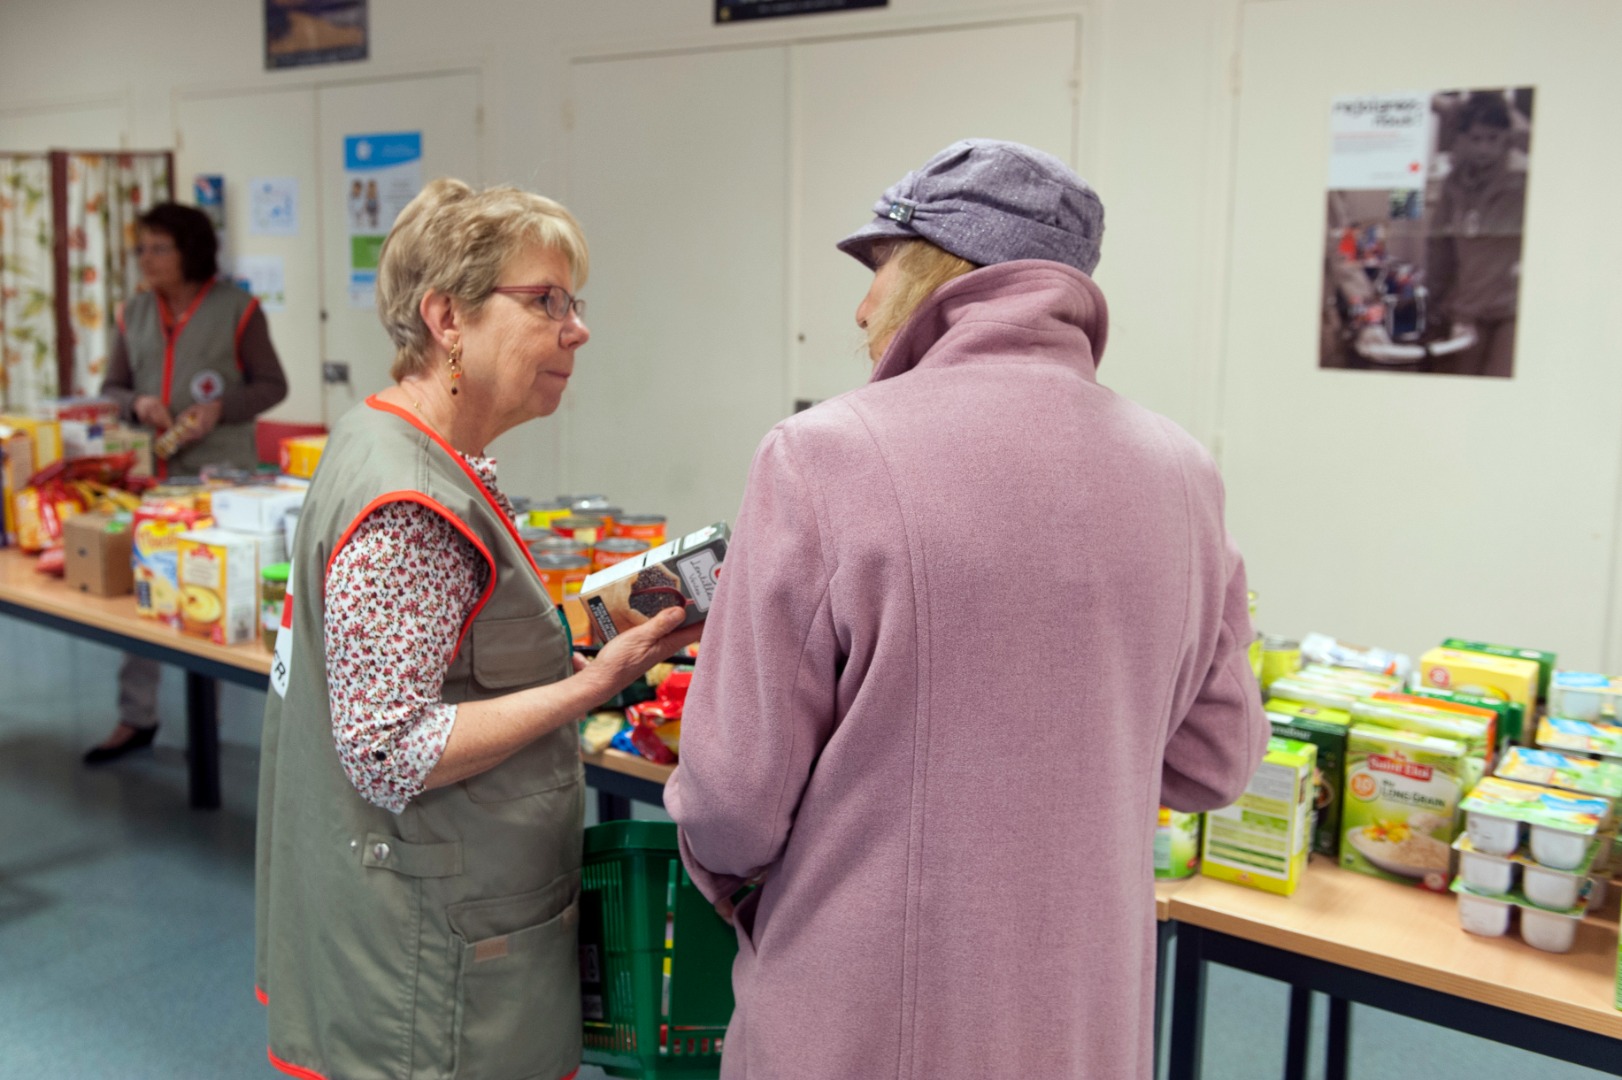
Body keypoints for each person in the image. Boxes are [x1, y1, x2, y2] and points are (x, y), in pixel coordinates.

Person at [664, 139, 1270, 1079]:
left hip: (857, 1018)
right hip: (1078, 1025)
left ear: (941, 270)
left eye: (880, 266)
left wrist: (732, 880)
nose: (861, 305)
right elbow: (1216, 761)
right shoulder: (1185, 473)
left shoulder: (823, 455)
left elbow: (731, 806)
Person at [253, 178, 700, 1080]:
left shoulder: (395, 439)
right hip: (427, 960)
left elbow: (446, 654)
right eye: (546, 302)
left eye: (575, 303)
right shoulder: (411, 504)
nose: (576, 329)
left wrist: (568, 635)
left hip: (414, 916)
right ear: (447, 317)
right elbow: (389, 750)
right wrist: (591, 684)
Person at [86, 202, 288, 763]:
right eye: (141, 248)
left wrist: (219, 408)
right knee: (148, 592)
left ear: (189, 250)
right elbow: (112, 389)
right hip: (158, 480)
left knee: (213, 596)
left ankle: (209, 730)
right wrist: (138, 403)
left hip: (223, 479)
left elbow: (272, 385)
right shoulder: (133, 314)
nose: (145, 259)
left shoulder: (238, 310)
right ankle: (136, 717)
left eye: (158, 247)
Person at [1425, 91, 1527, 377]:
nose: (1484, 148)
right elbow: (1439, 249)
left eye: (1492, 139)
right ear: (1463, 139)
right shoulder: (1454, 183)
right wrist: (1432, 300)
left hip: (1511, 309)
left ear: (1506, 137)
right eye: (1476, 139)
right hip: (1468, 307)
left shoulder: (1522, 180)